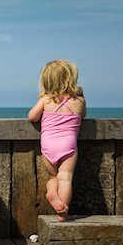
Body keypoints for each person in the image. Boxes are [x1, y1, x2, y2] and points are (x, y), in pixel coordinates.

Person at [28, 60, 86, 221]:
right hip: (68, 145)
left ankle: (52, 193)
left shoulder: (46, 99)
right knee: (65, 177)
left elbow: (32, 117)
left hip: (48, 145)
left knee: (53, 177)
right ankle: (62, 214)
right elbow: (83, 114)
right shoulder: (79, 101)